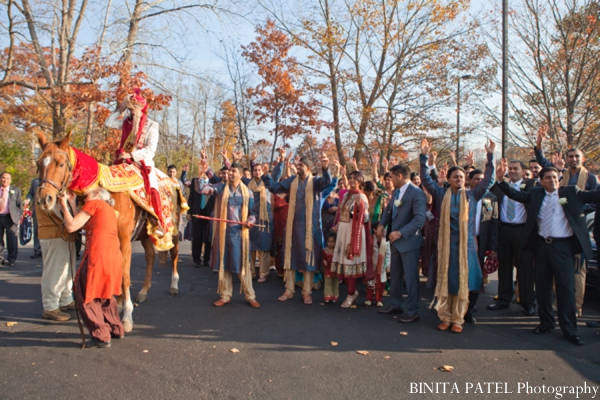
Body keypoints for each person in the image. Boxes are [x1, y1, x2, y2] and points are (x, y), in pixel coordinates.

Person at [496, 163, 600, 346]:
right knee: (543, 288)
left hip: (563, 248)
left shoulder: (571, 192)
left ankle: (569, 329)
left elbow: (594, 195)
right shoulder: (536, 194)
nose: (552, 180)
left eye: (554, 177)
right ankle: (546, 323)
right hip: (542, 247)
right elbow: (516, 195)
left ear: (558, 178)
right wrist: (500, 180)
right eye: (548, 178)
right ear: (541, 181)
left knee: (566, 289)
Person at [420, 139, 496, 334]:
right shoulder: (441, 194)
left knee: (463, 281)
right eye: (456, 177)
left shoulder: (472, 195)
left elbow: (489, 180)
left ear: (466, 180)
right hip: (446, 246)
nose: (459, 180)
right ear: (449, 179)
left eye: (462, 177)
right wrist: (424, 158)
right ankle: (445, 317)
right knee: (447, 280)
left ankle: (459, 319)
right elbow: (426, 179)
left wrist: (490, 156)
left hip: (467, 246)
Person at [535, 128, 597, 317]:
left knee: (577, 272)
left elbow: (593, 201)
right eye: (570, 157)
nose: (573, 160)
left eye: (576, 157)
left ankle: (576, 306)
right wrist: (539, 146)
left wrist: (574, 210)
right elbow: (546, 167)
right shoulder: (563, 176)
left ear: (582, 159)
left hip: (577, 229)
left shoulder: (590, 178)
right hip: (558, 231)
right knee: (557, 276)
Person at [262, 149, 334, 305]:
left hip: (310, 228)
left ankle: (306, 292)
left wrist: (326, 168)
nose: (298, 166)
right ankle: (289, 290)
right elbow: (274, 187)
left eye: (301, 165)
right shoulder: (292, 181)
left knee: (308, 259)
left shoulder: (315, 182)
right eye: (298, 164)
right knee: (291, 258)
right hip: (293, 228)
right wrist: (271, 171)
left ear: (308, 168)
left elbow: (327, 183)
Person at [59, 188, 124, 348]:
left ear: (96, 194)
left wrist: (63, 206)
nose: (84, 198)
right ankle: (116, 328)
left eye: (86, 195)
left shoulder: (94, 203)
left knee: (86, 292)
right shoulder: (107, 208)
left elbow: (72, 226)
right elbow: (85, 224)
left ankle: (101, 334)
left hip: (98, 254)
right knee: (105, 294)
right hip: (112, 255)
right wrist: (73, 204)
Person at [196, 157, 260, 309]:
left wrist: (250, 221)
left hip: (240, 235)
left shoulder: (248, 193)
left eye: (233, 171)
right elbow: (202, 190)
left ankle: (250, 296)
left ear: (239, 174)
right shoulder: (219, 188)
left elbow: (253, 212)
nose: (230, 173)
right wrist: (201, 175)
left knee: (243, 267)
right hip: (223, 234)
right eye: (230, 171)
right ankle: (225, 296)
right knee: (224, 266)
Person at [377, 164, 427, 322]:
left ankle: (413, 311)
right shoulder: (397, 191)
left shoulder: (417, 193)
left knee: (411, 278)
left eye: (391, 176)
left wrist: (400, 233)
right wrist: (380, 224)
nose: (389, 179)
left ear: (399, 176)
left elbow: (419, 219)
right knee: (396, 275)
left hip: (409, 242)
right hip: (395, 242)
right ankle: (395, 304)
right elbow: (389, 210)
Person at [488, 160, 536, 316]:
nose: (513, 171)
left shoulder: (531, 186)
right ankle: (503, 299)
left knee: (525, 268)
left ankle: (528, 302)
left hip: (522, 232)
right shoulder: (500, 187)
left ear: (523, 171)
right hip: (504, 231)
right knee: (505, 267)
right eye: (511, 168)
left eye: (516, 168)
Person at [331, 170, 372, 308]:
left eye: (355, 179)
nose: (352, 181)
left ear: (360, 181)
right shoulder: (346, 194)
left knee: (350, 263)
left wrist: (359, 211)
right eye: (350, 178)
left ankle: (351, 294)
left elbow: (366, 218)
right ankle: (351, 293)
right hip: (343, 232)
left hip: (353, 233)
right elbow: (341, 213)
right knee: (343, 263)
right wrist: (337, 225)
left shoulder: (361, 197)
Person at [466, 169, 498, 323]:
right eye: (476, 179)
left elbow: (493, 224)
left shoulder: (491, 198)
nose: (479, 182)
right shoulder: (463, 196)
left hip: (481, 242)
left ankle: (470, 310)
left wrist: (492, 247)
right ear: (469, 180)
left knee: (476, 278)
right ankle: (458, 307)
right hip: (464, 242)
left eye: (481, 179)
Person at [38, 197, 77, 321]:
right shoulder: (46, 190)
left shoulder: (57, 191)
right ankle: (50, 306)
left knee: (67, 270)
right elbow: (60, 214)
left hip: (63, 234)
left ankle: (65, 299)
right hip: (54, 234)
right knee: (54, 271)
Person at [248, 163, 274, 283]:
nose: (257, 172)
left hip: (265, 219)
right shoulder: (248, 184)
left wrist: (283, 159)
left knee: (264, 248)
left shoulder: (267, 183)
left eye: (259, 170)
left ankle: (264, 273)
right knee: (251, 247)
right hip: (252, 217)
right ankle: (251, 272)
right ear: (252, 172)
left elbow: (277, 174)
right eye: (255, 170)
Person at [0, 172, 23, 266]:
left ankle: (12, 259)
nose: (5, 180)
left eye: (7, 178)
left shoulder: (15, 190)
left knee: (12, 240)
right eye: (3, 178)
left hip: (10, 218)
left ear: (11, 180)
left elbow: (19, 205)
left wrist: (18, 216)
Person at [25, 177, 42, 259]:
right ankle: (37, 251)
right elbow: (31, 192)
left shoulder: (54, 179)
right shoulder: (35, 181)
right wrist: (28, 199)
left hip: (49, 211)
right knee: (36, 231)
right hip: (37, 210)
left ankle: (47, 251)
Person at [322, 232, 338, 303]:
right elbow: (323, 258)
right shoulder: (324, 251)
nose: (331, 243)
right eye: (329, 241)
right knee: (328, 283)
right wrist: (324, 261)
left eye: (332, 242)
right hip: (328, 269)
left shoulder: (337, 251)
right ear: (326, 241)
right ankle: (328, 296)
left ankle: (335, 296)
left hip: (336, 270)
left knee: (335, 283)